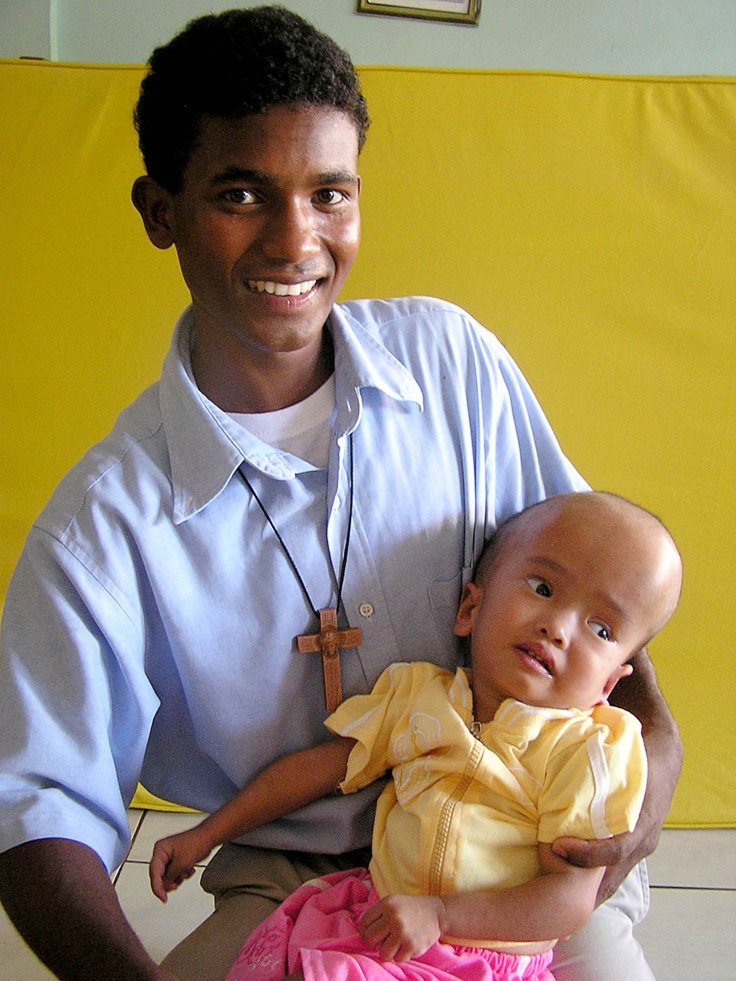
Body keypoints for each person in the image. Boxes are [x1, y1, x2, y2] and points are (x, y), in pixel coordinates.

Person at [0, 7, 681, 981]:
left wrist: (656, 759)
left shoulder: (453, 365)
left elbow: (602, 597)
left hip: (517, 854)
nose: (294, 239)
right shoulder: (102, 529)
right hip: (292, 869)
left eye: (329, 194)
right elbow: (38, 811)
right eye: (241, 193)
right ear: (160, 211)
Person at [147, 491, 682, 981]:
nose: (558, 627)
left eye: (602, 629)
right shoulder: (417, 696)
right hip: (375, 922)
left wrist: (443, 914)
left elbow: (567, 900)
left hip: (479, 957)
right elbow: (316, 769)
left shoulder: (588, 753)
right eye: (542, 588)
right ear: (470, 608)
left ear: (611, 681)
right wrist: (206, 834)